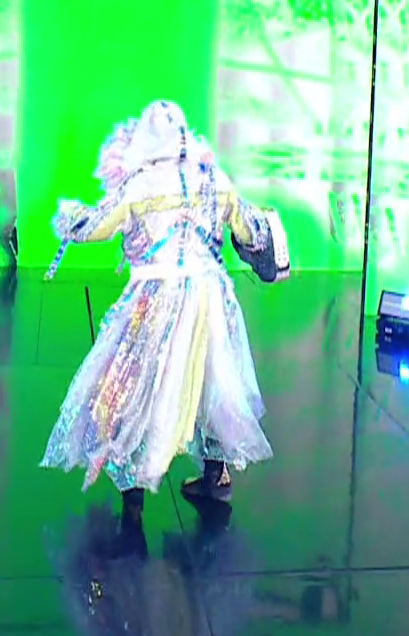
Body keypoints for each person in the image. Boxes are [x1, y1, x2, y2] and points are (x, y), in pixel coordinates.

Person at [40, 100, 287, 519]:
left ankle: (134, 493)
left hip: (156, 299)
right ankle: (215, 477)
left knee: (136, 386)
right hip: (211, 298)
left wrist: (68, 217)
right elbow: (250, 230)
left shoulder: (140, 185)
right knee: (213, 383)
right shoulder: (215, 178)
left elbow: (96, 227)